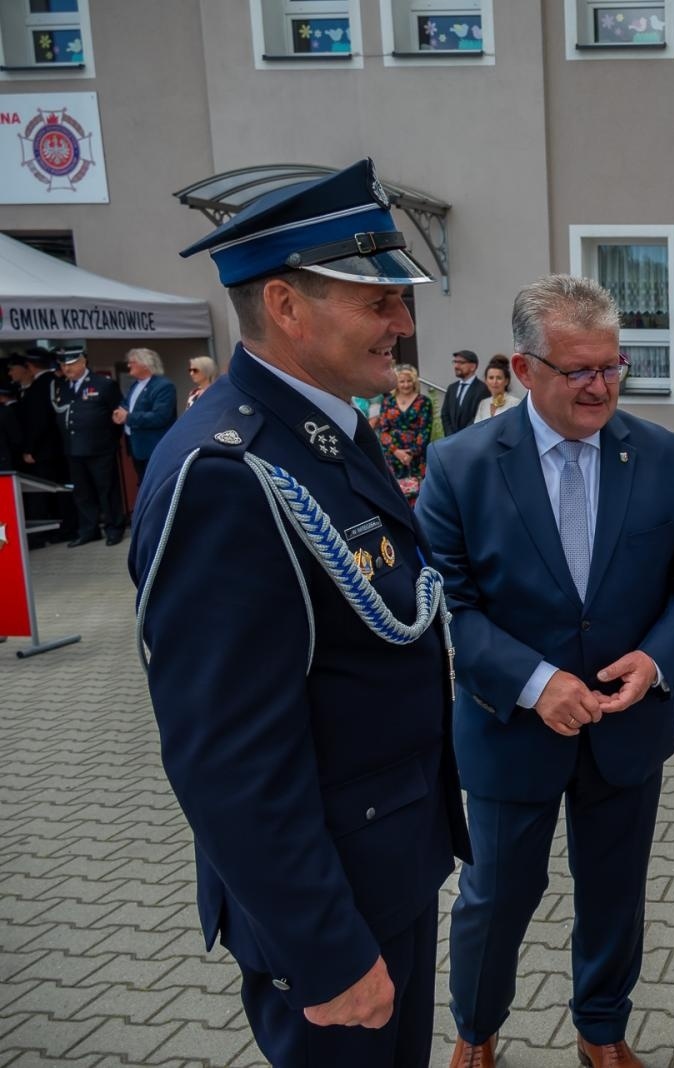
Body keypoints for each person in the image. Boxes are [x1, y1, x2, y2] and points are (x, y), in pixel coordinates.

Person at [128, 159, 470, 1068]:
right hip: (333, 904)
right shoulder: (227, 474)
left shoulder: (326, 430)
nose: (403, 323)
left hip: (385, 864)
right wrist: (326, 952)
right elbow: (227, 757)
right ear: (284, 306)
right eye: (378, 301)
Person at [417, 274, 674, 1068]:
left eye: (612, 366)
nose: (600, 387)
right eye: (578, 370)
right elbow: (448, 606)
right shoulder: (459, 465)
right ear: (525, 370)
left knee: (615, 896)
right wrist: (535, 683)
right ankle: (476, 1031)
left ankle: (601, 1028)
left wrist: (657, 660)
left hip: (627, 730)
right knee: (495, 899)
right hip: (509, 732)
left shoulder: (663, 455)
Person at [54, 351, 125, 546]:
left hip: (100, 448)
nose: (66, 369)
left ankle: (114, 528)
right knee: (82, 492)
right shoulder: (62, 387)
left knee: (107, 490)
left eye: (71, 364)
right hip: (73, 449)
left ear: (83, 362)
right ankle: (89, 530)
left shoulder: (103, 384)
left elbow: (117, 416)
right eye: (63, 365)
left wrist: (109, 441)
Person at [7, 349, 75, 543]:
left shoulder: (40, 386)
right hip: (57, 447)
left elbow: (38, 422)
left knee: (50, 491)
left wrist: (30, 449)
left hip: (45, 451)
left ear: (30, 366)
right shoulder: (52, 382)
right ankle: (65, 528)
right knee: (59, 489)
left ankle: (58, 530)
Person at [113, 347, 177, 481]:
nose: (128, 365)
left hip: (154, 448)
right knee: (142, 483)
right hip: (137, 447)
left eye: (132, 362)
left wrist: (128, 417)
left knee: (156, 483)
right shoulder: (135, 385)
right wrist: (119, 413)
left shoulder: (163, 386)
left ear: (145, 364)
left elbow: (160, 417)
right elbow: (127, 404)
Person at [372, 363, 432, 502]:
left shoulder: (424, 401)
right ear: (397, 383)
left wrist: (411, 453)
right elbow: (383, 431)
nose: (406, 385)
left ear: (414, 382)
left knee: (418, 495)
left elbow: (425, 431)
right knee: (394, 495)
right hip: (392, 456)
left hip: (416, 458)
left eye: (409, 381)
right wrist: (396, 451)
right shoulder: (388, 402)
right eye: (402, 381)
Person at [440, 348, 488, 435]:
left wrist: (462, 436)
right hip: (451, 439)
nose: (456, 366)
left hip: (470, 437)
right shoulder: (452, 388)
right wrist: (450, 435)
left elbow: (478, 416)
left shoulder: (483, 389)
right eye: (455, 362)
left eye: (461, 363)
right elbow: (445, 414)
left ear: (473, 367)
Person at [472, 353, 518, 423]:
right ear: (486, 381)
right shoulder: (483, 403)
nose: (494, 382)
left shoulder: (515, 403)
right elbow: (477, 426)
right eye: (491, 378)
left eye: (499, 378)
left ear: (506, 381)